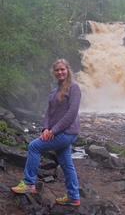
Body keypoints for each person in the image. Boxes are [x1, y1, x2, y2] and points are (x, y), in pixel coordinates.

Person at [11, 58, 81, 206]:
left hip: (67, 132)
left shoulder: (74, 88)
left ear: (68, 70)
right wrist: (46, 129)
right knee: (66, 164)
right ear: (54, 72)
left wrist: (53, 131)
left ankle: (29, 183)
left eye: (63, 69)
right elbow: (48, 113)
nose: (60, 72)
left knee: (34, 147)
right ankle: (73, 196)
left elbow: (72, 113)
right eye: (57, 70)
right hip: (57, 132)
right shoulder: (53, 92)